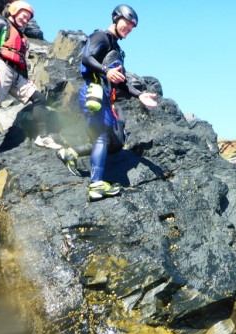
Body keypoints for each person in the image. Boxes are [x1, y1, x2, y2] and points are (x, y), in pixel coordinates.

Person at [66, 4, 157, 201]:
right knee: (100, 137)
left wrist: (139, 95)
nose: (129, 29)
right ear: (116, 18)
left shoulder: (116, 48)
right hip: (93, 93)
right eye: (127, 23)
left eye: (132, 27)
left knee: (112, 141)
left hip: (106, 97)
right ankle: (96, 185)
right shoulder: (101, 37)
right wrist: (106, 71)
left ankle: (70, 152)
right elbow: (86, 58)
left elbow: (121, 82)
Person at [0, 1, 62, 154]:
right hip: (0, 66)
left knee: (39, 98)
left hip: (16, 73)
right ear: (14, 11)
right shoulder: (0, 23)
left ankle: (43, 137)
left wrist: (26, 78)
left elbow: (21, 59)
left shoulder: (21, 36)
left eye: (28, 19)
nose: (25, 20)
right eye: (24, 16)